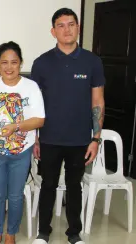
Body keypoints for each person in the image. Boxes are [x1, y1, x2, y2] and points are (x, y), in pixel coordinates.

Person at [31, 8, 105, 244]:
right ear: (53, 31)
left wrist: (96, 138)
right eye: (61, 25)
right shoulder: (41, 63)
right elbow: (34, 104)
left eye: (71, 24)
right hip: (49, 138)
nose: (67, 29)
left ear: (78, 27)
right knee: (48, 186)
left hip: (80, 139)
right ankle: (43, 233)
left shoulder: (92, 62)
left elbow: (98, 101)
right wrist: (35, 137)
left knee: (75, 187)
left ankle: (74, 233)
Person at [0, 41, 45, 244]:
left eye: (14, 62)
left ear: (20, 63)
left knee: (15, 196)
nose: (9, 67)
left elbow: (39, 120)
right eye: (4, 62)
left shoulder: (31, 87)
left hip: (21, 151)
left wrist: (15, 126)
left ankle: (11, 234)